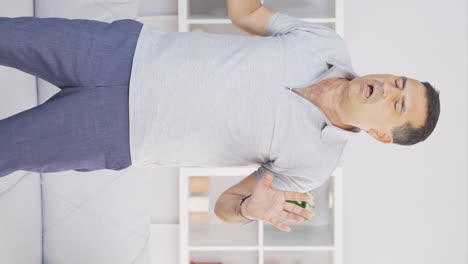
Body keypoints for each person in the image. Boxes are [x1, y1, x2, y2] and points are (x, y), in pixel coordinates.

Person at [0, 3, 440, 233]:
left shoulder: (314, 165)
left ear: (382, 134)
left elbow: (226, 208)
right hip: (120, 53)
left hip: (117, 131)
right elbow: (246, 13)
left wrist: (251, 208)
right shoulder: (326, 43)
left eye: (397, 104)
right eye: (399, 82)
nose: (388, 88)